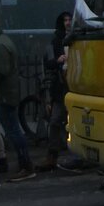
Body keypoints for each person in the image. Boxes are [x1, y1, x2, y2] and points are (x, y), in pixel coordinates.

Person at [0, 28, 35, 182]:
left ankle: (26, 165)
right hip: (8, 94)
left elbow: (0, 71)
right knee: (12, 129)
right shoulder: (4, 41)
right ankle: (21, 163)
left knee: (13, 131)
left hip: (4, 95)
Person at [37, 12, 71, 172]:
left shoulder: (71, 38)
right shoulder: (56, 41)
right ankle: (53, 154)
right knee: (56, 121)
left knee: (57, 122)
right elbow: (48, 61)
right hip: (62, 87)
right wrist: (57, 61)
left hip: (68, 86)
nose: (68, 23)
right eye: (65, 20)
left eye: (70, 20)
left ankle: (53, 155)